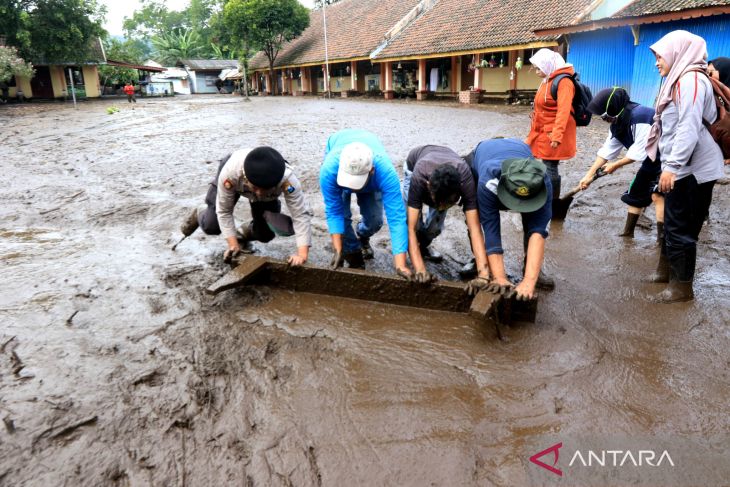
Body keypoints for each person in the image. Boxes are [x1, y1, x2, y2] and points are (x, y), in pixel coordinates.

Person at [645, 30, 725, 303]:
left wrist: (673, 167)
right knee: (672, 221)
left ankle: (681, 288)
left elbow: (688, 128)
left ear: (678, 52)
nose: (656, 61)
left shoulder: (690, 80)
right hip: (681, 166)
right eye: (655, 56)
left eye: (660, 55)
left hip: (692, 170)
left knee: (682, 227)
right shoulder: (678, 79)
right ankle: (665, 273)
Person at [182, 146, 313, 265]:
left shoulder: (288, 180)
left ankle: (243, 233)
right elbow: (224, 212)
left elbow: (300, 215)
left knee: (265, 235)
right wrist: (232, 246)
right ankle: (202, 212)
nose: (259, 193)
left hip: (267, 191)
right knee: (211, 225)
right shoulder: (230, 174)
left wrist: (302, 255)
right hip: (235, 176)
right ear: (245, 177)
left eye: (265, 188)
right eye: (255, 187)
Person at [320, 129, 410, 278]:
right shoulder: (329, 170)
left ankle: (363, 235)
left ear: (372, 171)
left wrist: (401, 265)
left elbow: (397, 219)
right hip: (339, 157)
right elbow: (334, 211)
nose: (351, 187)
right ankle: (353, 253)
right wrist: (338, 249)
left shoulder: (385, 173)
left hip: (370, 175)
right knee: (343, 217)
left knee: (375, 220)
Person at [472, 138, 554, 299]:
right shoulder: (487, 181)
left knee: (532, 222)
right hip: (485, 152)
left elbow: (539, 231)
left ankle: (530, 268)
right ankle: (479, 260)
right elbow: (490, 228)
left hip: (519, 150)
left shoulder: (543, 182)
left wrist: (529, 281)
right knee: (474, 214)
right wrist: (500, 277)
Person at [580, 87, 664, 241]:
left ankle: (662, 240)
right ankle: (628, 232)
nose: (602, 118)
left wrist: (615, 165)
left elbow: (638, 152)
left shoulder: (642, 117)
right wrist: (588, 175)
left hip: (666, 158)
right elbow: (607, 151)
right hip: (650, 161)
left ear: (613, 107)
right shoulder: (618, 123)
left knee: (658, 194)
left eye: (603, 114)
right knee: (636, 192)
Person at [402, 145, 491, 287]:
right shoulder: (419, 178)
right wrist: (420, 270)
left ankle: (422, 247)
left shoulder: (465, 180)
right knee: (415, 224)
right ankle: (418, 253)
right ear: (429, 186)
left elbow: (475, 228)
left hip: (445, 180)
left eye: (449, 202)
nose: (442, 207)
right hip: (414, 167)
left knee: (434, 228)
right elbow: (410, 228)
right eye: (440, 202)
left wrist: (484, 275)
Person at [525, 48, 577, 211]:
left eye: (539, 68)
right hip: (541, 130)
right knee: (543, 163)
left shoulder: (564, 82)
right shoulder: (547, 79)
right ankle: (546, 197)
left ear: (548, 66)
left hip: (553, 131)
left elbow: (563, 110)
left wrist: (557, 135)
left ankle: (552, 203)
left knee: (550, 166)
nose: (536, 71)